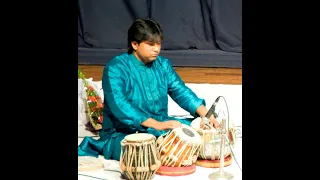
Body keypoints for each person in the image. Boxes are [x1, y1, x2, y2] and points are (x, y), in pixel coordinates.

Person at [78, 18, 220, 161]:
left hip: (161, 123)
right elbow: (120, 105)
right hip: (123, 131)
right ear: (135, 44)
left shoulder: (163, 64)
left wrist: (205, 115)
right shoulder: (115, 68)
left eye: (158, 43)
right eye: (151, 44)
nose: (156, 49)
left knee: (199, 129)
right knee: (143, 151)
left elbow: (180, 91)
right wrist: (157, 125)